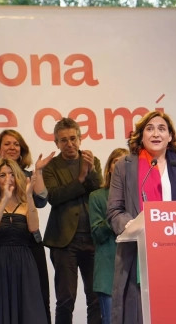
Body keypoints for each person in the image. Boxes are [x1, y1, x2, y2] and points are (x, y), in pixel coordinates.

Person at [106, 111, 176, 324]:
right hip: (139, 254)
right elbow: (114, 211)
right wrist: (131, 225)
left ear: (170, 136)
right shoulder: (125, 166)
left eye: (162, 128)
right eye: (149, 128)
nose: (156, 133)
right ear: (141, 136)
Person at [0, 129, 54, 322]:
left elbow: (42, 202)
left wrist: (36, 175)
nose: (8, 178)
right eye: (3, 175)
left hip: (27, 252)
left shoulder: (29, 179)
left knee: (32, 305)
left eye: (16, 144)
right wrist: (4, 199)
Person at [42, 117, 103, 324]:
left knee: (95, 298)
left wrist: (90, 172)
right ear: (56, 143)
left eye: (73, 139)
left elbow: (98, 191)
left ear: (80, 138)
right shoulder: (51, 167)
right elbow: (54, 197)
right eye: (64, 140)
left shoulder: (92, 160)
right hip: (64, 242)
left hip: (93, 239)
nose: (69, 144)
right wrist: (80, 179)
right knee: (66, 299)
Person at [88, 147, 128, 324]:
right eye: (115, 161)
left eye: (126, 161)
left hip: (134, 271)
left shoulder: (138, 196)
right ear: (109, 168)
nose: (120, 165)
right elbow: (97, 234)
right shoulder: (97, 196)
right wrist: (115, 216)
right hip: (108, 273)